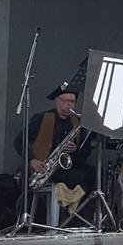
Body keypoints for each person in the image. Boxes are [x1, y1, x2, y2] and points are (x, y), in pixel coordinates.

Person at [14, 80, 94, 214]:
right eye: (66, 101)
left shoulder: (77, 122)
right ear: (57, 100)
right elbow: (18, 141)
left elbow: (86, 151)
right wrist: (32, 160)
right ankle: (64, 214)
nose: (70, 105)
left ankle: (79, 218)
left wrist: (76, 149)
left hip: (66, 167)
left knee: (92, 174)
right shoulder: (41, 118)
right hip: (42, 167)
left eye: (72, 102)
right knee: (75, 177)